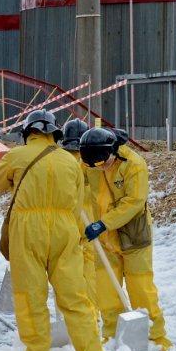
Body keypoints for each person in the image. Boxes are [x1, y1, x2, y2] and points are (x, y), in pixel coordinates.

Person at [0, 110, 111, 351]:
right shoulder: (70, 161)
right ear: (55, 134)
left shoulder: (17, 156)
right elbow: (78, 203)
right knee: (75, 298)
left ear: (28, 132)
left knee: (31, 297)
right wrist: (77, 236)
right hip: (65, 229)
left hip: (28, 229)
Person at [80, 127, 171, 351]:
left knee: (141, 290)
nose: (99, 168)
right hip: (104, 239)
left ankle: (156, 340)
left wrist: (104, 223)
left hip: (133, 236)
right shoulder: (92, 163)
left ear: (112, 151)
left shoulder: (134, 165)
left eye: (102, 163)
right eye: (93, 165)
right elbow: (75, 179)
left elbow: (134, 201)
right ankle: (112, 337)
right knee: (107, 291)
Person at [59, 118, 99, 313]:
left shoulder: (59, 160)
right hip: (88, 224)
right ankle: (92, 313)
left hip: (66, 224)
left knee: (65, 273)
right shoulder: (92, 161)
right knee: (89, 272)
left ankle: (72, 314)